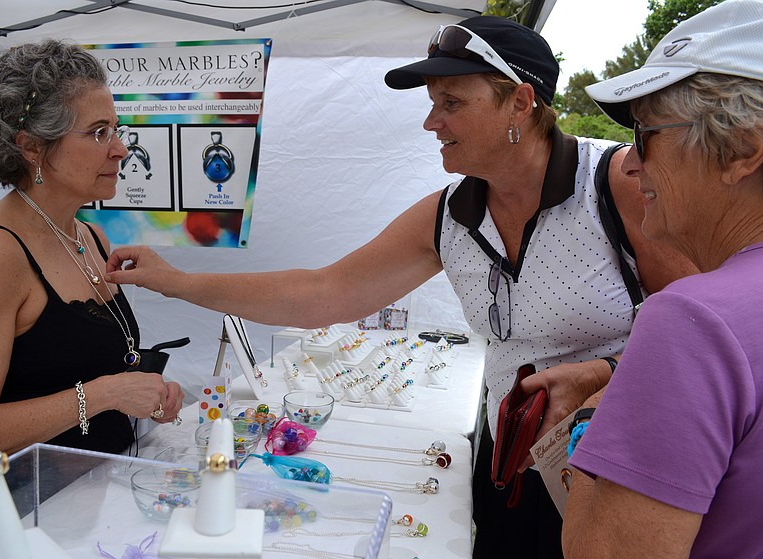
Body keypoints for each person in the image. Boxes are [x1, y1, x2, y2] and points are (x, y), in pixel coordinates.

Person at [105, 16, 695, 557]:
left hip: (615, 462)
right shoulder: (448, 217)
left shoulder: (616, 185)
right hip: (509, 459)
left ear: (520, 102)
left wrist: (602, 373)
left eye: (451, 103)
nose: (430, 121)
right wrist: (179, 282)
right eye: (433, 103)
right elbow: (326, 292)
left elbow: (701, 329)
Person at [0, 39, 184, 485]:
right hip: (19, 516)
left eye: (116, 130)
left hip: (91, 499)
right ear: (31, 147)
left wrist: (142, 391)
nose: (120, 149)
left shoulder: (90, 236)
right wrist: (103, 395)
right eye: (99, 132)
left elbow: (81, 366)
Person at [562, 1, 763, 557]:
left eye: (645, 135)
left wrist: (592, 415)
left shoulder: (694, 319)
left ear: (742, 149)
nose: (629, 164)